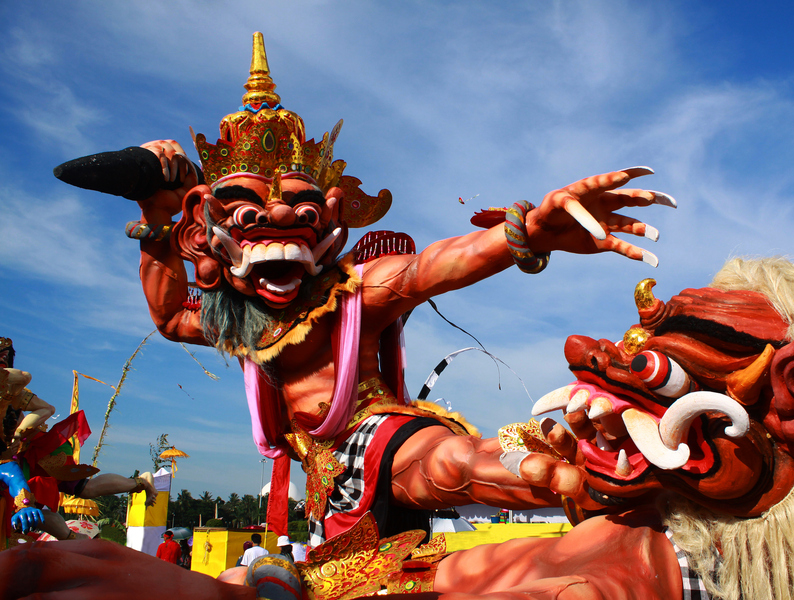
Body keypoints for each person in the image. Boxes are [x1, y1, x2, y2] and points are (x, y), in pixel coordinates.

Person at [54, 32, 672, 546]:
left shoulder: (350, 293)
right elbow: (169, 318)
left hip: (381, 434)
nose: (279, 233)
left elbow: (432, 266)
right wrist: (154, 220)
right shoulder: (241, 319)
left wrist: (528, 229)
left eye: (299, 214)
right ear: (209, 231)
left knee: (453, 466)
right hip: (326, 484)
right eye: (248, 217)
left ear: (329, 220)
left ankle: (597, 475)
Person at [0, 337, 158, 545]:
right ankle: (75, 539)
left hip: (31, 453)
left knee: (82, 489)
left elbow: (44, 406)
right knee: (33, 506)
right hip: (18, 454)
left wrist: (19, 434)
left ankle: (139, 483)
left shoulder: (9, 387)